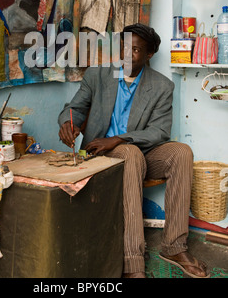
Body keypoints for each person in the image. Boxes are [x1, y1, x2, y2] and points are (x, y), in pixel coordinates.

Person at [58, 23, 209, 279]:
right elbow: (76, 107)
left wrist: (118, 138)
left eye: (136, 49)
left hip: (138, 151)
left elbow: (159, 132)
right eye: (125, 46)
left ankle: (174, 246)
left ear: (149, 55)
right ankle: (132, 261)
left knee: (181, 152)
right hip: (100, 152)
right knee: (129, 154)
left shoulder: (161, 86)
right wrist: (67, 122)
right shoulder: (98, 75)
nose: (127, 53)